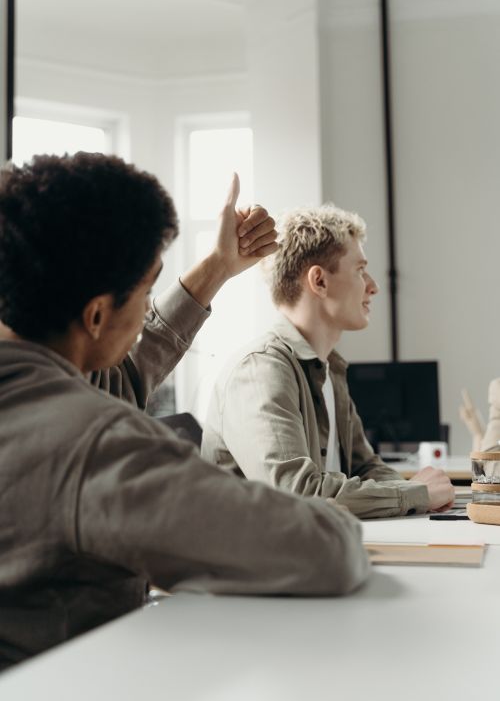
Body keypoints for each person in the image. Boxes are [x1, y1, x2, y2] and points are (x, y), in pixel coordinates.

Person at [0, 154, 369, 670]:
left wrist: (218, 266)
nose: (148, 306)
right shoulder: (96, 443)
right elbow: (324, 551)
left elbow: (117, 373)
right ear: (98, 314)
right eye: (148, 289)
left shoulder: (48, 389)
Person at [201, 205, 455, 518]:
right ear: (319, 281)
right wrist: (415, 494)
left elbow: (366, 467)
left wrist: (421, 498)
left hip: (318, 548)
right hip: (262, 562)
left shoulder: (330, 369)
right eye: (360, 270)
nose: (373, 286)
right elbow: (297, 493)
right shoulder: (260, 371)